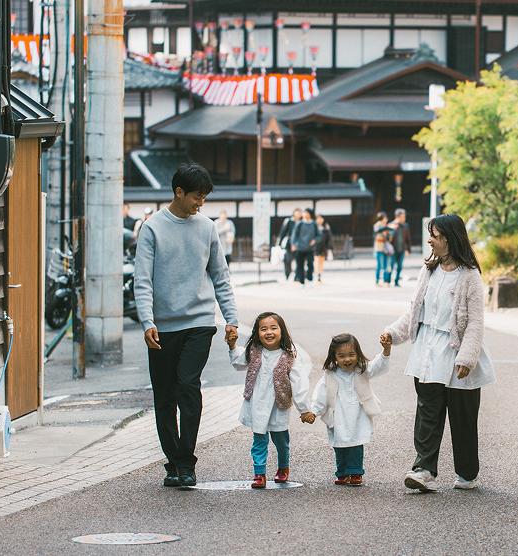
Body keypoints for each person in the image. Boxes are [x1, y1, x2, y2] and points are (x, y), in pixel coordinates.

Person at [134, 162, 239, 489]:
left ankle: (186, 461)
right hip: (162, 328)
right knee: (164, 396)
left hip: (198, 323)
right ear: (178, 192)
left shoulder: (206, 228)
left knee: (187, 386)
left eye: (204, 197)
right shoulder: (152, 229)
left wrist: (231, 318)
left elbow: (220, 276)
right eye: (197, 196)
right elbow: (142, 281)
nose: (200, 203)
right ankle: (173, 462)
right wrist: (147, 321)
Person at [382, 214, 495, 492]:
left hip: (456, 353)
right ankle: (423, 470)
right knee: (428, 414)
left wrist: (467, 357)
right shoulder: (428, 271)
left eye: (434, 235)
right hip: (427, 352)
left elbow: (476, 322)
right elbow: (414, 311)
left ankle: (467, 473)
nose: (430, 240)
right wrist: (393, 334)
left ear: (449, 238)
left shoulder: (469, 276)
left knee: (463, 418)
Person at [228, 311, 315, 489]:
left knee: (281, 441)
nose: (269, 332)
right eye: (263, 329)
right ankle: (259, 473)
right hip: (257, 404)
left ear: (282, 331)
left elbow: (299, 383)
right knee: (259, 440)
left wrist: (304, 409)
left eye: (274, 328)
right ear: (257, 333)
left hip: (278, 406)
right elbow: (238, 362)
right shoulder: (254, 352)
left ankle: (283, 467)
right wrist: (232, 345)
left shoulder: (288, 357)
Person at [309, 333, 392, 486]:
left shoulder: (362, 370)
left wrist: (385, 351)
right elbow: (321, 394)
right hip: (338, 415)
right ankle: (341, 472)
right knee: (339, 444)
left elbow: (377, 366)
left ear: (358, 354)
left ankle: (355, 472)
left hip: (358, 414)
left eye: (351, 355)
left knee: (356, 442)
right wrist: (314, 411)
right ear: (334, 357)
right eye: (341, 356)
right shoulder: (330, 374)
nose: (347, 359)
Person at [290, 207, 320, 285]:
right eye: (305, 213)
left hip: (310, 248)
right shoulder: (299, 223)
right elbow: (294, 235)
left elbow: (319, 235)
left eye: (307, 213)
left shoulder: (313, 224)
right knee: (300, 265)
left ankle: (309, 278)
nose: (306, 214)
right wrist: (294, 244)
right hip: (300, 247)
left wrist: (315, 240)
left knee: (310, 264)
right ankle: (301, 280)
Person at [276, 208, 303, 281]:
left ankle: (297, 276)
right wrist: (279, 244)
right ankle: (287, 274)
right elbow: (283, 232)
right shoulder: (289, 221)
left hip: (300, 244)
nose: (298, 214)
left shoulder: (302, 222)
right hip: (289, 244)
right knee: (287, 260)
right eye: (297, 213)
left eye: (299, 213)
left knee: (299, 260)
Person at [388, 208, 412, 287]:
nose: (404, 219)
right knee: (391, 265)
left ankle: (396, 281)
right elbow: (388, 238)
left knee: (399, 266)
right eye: (402, 217)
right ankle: (387, 281)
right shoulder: (391, 225)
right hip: (393, 250)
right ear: (397, 217)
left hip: (402, 249)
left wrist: (408, 249)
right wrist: (393, 228)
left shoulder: (405, 226)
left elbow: (408, 238)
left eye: (404, 217)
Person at [373, 212, 392, 287]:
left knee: (386, 265)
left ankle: (385, 281)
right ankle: (377, 281)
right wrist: (386, 228)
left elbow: (389, 237)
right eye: (385, 218)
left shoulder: (386, 226)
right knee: (379, 265)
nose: (386, 219)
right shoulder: (377, 225)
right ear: (382, 218)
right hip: (379, 247)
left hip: (386, 247)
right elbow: (377, 231)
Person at [313, 213, 333, 284]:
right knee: (316, 262)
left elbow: (329, 238)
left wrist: (329, 248)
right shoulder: (314, 227)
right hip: (315, 247)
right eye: (318, 218)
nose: (319, 220)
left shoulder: (326, 228)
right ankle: (316, 276)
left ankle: (319, 277)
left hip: (323, 247)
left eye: (321, 218)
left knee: (321, 263)